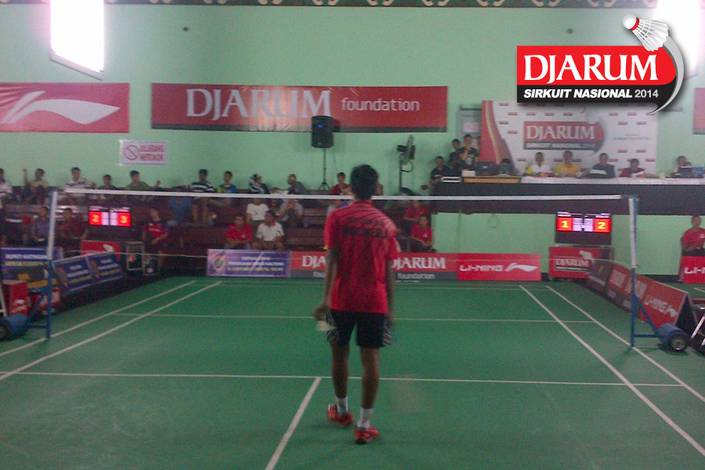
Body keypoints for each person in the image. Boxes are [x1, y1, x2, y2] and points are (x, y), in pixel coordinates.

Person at [313, 164, 398, 445]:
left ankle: (341, 412)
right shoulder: (387, 224)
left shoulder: (337, 218)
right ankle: (364, 425)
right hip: (375, 301)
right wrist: (391, 308)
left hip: (340, 300)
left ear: (350, 187)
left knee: (338, 354)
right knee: (371, 359)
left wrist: (324, 299)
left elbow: (332, 259)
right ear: (376, 189)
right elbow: (389, 269)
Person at [144, 207, 170, 272]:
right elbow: (144, 232)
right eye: (150, 212)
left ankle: (160, 270)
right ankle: (149, 270)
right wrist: (145, 240)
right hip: (150, 241)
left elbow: (166, 234)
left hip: (160, 241)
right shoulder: (148, 222)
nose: (151, 213)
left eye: (153, 212)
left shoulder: (163, 222)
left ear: (157, 212)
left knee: (161, 253)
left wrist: (157, 239)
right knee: (146, 254)